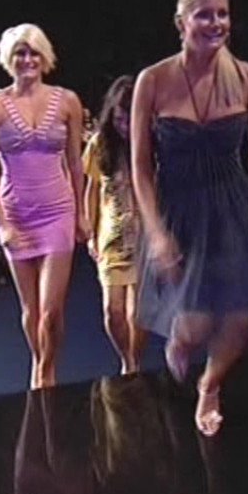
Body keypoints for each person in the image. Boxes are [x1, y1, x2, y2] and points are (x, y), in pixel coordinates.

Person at [130, 0, 248, 436]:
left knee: (241, 313)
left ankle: (210, 385)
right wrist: (156, 232)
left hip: (233, 207)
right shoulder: (153, 81)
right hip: (179, 209)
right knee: (193, 325)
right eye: (204, 14)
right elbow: (140, 167)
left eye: (223, 13)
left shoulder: (247, 77)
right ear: (181, 23)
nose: (216, 23)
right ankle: (182, 348)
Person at [0, 23, 89, 389]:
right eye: (20, 53)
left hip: (58, 211)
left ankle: (46, 371)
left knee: (52, 311)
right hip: (16, 215)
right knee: (32, 310)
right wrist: (1, 224)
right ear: (8, 59)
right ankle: (41, 368)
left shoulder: (68, 101)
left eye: (34, 53)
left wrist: (82, 213)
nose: (28, 60)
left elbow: (75, 163)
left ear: (45, 57)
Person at [83, 76, 149, 375]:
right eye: (120, 119)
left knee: (139, 311)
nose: (124, 126)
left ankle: (132, 364)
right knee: (113, 310)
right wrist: (90, 231)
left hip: (143, 238)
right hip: (111, 237)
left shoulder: (148, 142)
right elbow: (92, 190)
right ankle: (126, 358)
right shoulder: (100, 144)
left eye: (130, 119)